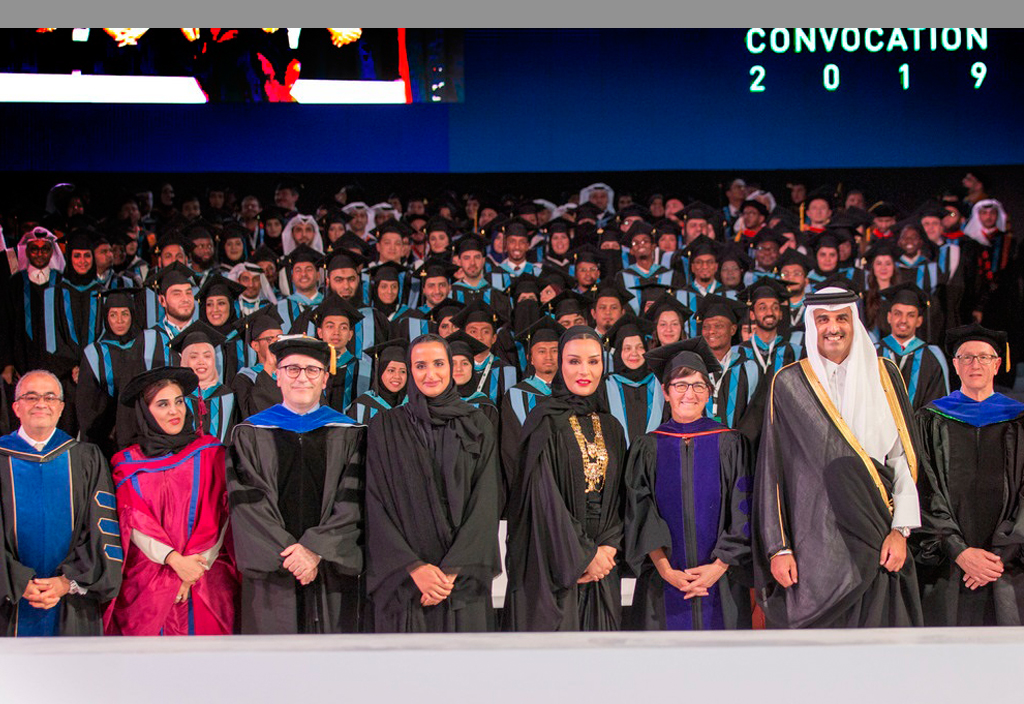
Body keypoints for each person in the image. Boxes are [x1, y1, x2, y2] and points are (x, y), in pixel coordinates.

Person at [754, 286, 923, 628]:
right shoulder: (789, 382)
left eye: (841, 318)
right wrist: (779, 548)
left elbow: (902, 461)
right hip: (812, 545)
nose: (833, 327)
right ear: (811, 326)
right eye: (823, 319)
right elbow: (773, 471)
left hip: (878, 538)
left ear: (854, 322)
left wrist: (900, 531)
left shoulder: (885, 375)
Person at [228, 335, 366, 634]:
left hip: (330, 570)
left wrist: (315, 549)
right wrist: (293, 554)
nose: (302, 377)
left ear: (325, 379)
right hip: (274, 573)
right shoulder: (250, 433)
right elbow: (248, 506)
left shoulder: (351, 433)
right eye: (291, 369)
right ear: (277, 376)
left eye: (312, 370)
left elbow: (354, 502)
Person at [365, 334, 500, 632]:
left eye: (439, 364)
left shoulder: (478, 423)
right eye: (420, 365)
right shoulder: (385, 427)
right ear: (410, 371)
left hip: (462, 582)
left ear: (451, 368)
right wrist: (414, 568)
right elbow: (375, 503)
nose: (430, 374)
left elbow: (486, 501)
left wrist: (450, 572)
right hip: (405, 582)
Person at [505, 326, 629, 631]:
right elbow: (543, 499)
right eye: (574, 361)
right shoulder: (544, 421)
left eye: (593, 361)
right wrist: (585, 556)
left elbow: (622, 497)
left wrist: (608, 550)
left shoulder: (612, 426)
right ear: (560, 365)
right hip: (555, 567)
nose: (584, 371)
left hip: (603, 568)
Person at [624, 338, 754, 630]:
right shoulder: (647, 447)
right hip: (663, 583)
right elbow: (639, 512)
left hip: (722, 582)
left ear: (708, 393)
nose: (689, 394)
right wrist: (667, 571)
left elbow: (744, 510)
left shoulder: (731, 443)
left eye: (698, 386)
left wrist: (717, 568)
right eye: (680, 385)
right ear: (666, 392)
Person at [106, 367, 239, 635]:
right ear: (146, 412)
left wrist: (192, 570)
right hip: (150, 577)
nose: (174, 411)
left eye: (179, 401)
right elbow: (134, 518)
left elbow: (219, 513)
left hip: (206, 574)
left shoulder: (210, 452)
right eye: (162, 404)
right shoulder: (127, 463)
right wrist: (174, 562)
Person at [913, 324, 1024, 626]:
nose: (975, 364)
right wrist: (959, 552)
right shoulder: (930, 419)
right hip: (947, 564)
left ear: (998, 364)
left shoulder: (1019, 419)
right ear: (955, 365)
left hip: (1008, 566)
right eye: (967, 357)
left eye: (984, 357)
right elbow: (923, 488)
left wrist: (999, 556)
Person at [0, 370, 122, 636]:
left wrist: (68, 582)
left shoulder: (86, 458)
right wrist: (17, 582)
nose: (41, 403)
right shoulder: (1, 457)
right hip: (8, 600)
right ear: (16, 407)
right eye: (30, 397)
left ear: (61, 407)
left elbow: (101, 530)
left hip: (72, 599)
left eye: (50, 397)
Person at [875, 283, 949, 411]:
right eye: (898, 314)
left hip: (917, 430)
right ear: (889, 317)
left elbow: (937, 406)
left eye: (910, 315)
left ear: (919, 321)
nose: (903, 320)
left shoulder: (932, 358)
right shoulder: (873, 353)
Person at [602, 313, 665, 447]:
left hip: (656, 460)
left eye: (639, 347)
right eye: (627, 348)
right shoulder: (606, 387)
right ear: (619, 352)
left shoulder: (659, 384)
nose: (634, 353)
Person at [346, 339, 408, 423]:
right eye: (391, 370)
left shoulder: (413, 405)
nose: (397, 376)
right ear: (380, 372)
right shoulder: (361, 407)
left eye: (403, 371)